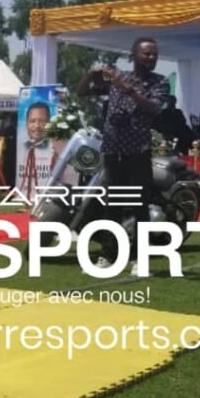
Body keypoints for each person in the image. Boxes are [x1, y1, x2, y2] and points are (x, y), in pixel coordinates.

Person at [77, 37, 169, 270]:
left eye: (154, 54)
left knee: (139, 205)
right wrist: (92, 74)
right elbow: (82, 92)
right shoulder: (119, 77)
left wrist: (125, 88)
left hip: (138, 151)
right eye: (146, 53)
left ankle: (141, 258)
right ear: (133, 55)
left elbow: (152, 107)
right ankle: (109, 254)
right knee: (113, 205)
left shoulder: (159, 82)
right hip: (113, 150)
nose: (151, 57)